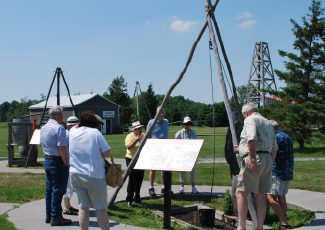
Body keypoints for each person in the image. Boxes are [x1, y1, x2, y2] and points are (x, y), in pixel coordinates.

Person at [233, 103, 278, 230]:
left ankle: (241, 226)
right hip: (267, 159)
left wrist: (252, 159)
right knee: (261, 194)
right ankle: (260, 227)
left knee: (241, 192)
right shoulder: (268, 123)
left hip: (254, 158)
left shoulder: (250, 119)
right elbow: (274, 147)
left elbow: (252, 140)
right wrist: (270, 162)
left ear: (245, 113)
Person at [69, 111, 111, 230]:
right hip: (94, 174)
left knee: (83, 207)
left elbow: (76, 126)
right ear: (94, 122)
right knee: (101, 208)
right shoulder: (95, 133)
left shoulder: (72, 131)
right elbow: (107, 152)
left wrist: (82, 121)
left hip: (75, 174)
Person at [40, 105, 71, 226]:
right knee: (58, 190)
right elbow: (62, 147)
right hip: (58, 161)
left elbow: (41, 144)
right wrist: (65, 163)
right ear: (59, 115)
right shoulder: (59, 128)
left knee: (49, 190)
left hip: (47, 159)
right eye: (62, 114)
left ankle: (49, 214)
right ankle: (56, 216)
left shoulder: (44, 128)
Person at [267, 120, 294, 230]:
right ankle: (282, 221)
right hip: (287, 171)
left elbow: (270, 153)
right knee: (282, 197)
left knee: (270, 197)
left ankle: (284, 223)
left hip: (276, 171)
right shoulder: (287, 137)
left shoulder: (275, 138)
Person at [146, 106, 170, 196]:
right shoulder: (151, 122)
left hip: (165, 148)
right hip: (155, 148)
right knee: (153, 168)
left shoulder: (166, 122)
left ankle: (164, 187)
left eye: (163, 112)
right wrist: (150, 145)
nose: (161, 114)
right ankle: (151, 187)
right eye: (160, 112)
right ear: (156, 113)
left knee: (164, 168)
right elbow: (148, 135)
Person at [175, 116, 199, 194]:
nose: (187, 125)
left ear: (190, 124)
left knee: (192, 171)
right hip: (183, 155)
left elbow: (196, 143)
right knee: (183, 171)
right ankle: (182, 187)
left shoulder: (194, 133)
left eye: (188, 124)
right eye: (185, 124)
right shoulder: (180, 133)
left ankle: (193, 187)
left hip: (192, 155)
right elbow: (176, 142)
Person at [125, 121, 145, 207]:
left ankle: (137, 197)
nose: (140, 130)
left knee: (139, 179)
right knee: (132, 179)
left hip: (141, 159)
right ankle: (129, 199)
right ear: (135, 130)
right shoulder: (130, 136)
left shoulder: (143, 135)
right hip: (131, 159)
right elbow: (129, 147)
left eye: (141, 128)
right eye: (138, 128)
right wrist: (136, 140)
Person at [62, 116, 79, 215]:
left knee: (69, 186)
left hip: (67, 163)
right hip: (69, 164)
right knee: (68, 186)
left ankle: (68, 205)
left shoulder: (66, 134)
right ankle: (66, 207)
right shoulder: (70, 135)